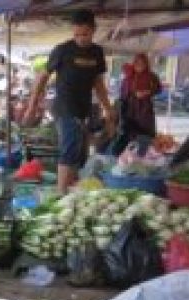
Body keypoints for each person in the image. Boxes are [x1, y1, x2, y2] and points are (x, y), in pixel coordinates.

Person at [24, 9, 114, 193]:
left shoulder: (97, 52)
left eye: (85, 34)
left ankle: (70, 192)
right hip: (65, 107)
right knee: (70, 149)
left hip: (84, 109)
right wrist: (31, 106)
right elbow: (42, 77)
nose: (80, 38)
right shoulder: (62, 50)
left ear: (93, 30)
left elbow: (98, 82)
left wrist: (108, 108)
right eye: (77, 34)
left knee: (80, 153)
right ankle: (61, 194)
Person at [120, 54, 161, 139]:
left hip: (145, 108)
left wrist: (147, 92)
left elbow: (158, 88)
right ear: (134, 63)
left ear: (146, 64)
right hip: (130, 108)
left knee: (146, 131)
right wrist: (132, 94)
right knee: (130, 132)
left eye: (142, 63)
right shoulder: (130, 75)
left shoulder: (151, 76)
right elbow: (123, 91)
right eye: (137, 63)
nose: (140, 65)